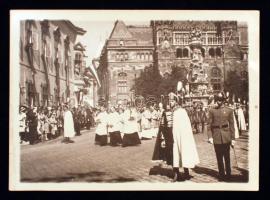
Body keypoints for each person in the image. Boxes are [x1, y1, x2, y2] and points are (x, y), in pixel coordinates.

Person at [170, 92, 200, 182]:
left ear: (176, 102)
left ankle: (186, 172)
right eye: (169, 101)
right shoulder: (170, 112)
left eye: (172, 101)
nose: (170, 103)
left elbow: (186, 126)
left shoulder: (182, 111)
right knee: (174, 154)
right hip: (173, 136)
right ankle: (176, 173)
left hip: (181, 136)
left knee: (183, 151)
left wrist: (184, 137)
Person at [208, 93, 235, 181]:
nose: (219, 101)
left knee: (227, 157)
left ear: (223, 100)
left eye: (221, 99)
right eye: (218, 100)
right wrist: (210, 137)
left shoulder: (229, 110)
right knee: (219, 157)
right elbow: (209, 125)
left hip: (226, 136)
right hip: (216, 136)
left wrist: (233, 138)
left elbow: (231, 125)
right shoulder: (212, 111)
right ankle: (221, 174)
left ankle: (229, 174)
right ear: (216, 100)